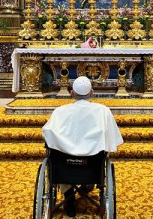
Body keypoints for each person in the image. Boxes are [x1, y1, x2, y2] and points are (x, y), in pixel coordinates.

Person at [42, 76, 123, 217]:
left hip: (63, 167)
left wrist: (65, 144)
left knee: (56, 154)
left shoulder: (59, 112)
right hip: (91, 166)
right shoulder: (103, 111)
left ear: (71, 93)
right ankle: (87, 184)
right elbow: (112, 140)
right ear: (91, 93)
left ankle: (68, 195)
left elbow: (47, 134)